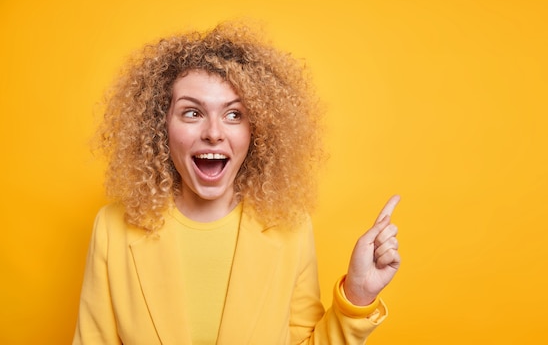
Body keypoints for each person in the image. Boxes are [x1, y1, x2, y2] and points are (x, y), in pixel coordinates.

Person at [73, 21, 401, 345]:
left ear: (256, 130)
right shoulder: (112, 228)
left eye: (233, 115)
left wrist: (357, 295)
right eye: (192, 113)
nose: (214, 133)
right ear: (160, 127)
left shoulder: (291, 228)